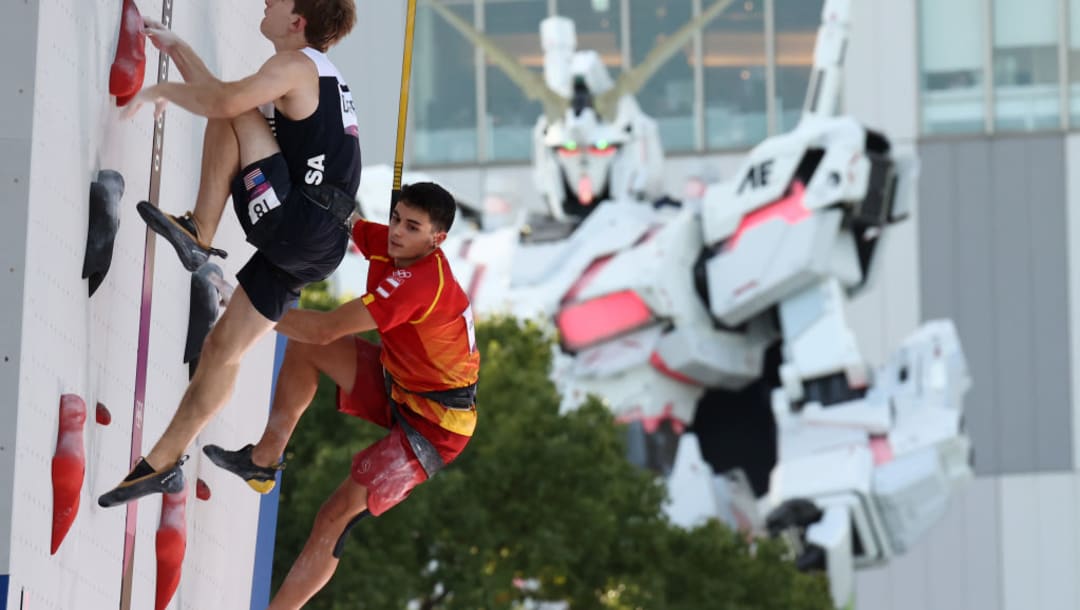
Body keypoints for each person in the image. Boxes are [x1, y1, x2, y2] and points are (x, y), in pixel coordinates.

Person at [99, 0, 362, 507]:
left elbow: (224, 105)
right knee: (224, 350)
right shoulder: (316, 74)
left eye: (278, 0)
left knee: (231, 110)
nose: (266, 1)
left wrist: (162, 90)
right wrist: (178, 51)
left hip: (298, 223)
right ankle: (161, 463)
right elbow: (227, 101)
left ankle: (199, 230)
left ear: (297, 21)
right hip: (318, 246)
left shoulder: (293, 65)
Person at [204, 182, 480, 609]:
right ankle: (263, 460)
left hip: (437, 426)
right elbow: (360, 231)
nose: (397, 232)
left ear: (437, 240)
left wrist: (251, 310)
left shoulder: (419, 284)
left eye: (412, 226)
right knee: (305, 349)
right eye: (396, 219)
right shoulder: (396, 246)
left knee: (333, 518)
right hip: (403, 385)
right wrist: (344, 213)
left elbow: (327, 328)